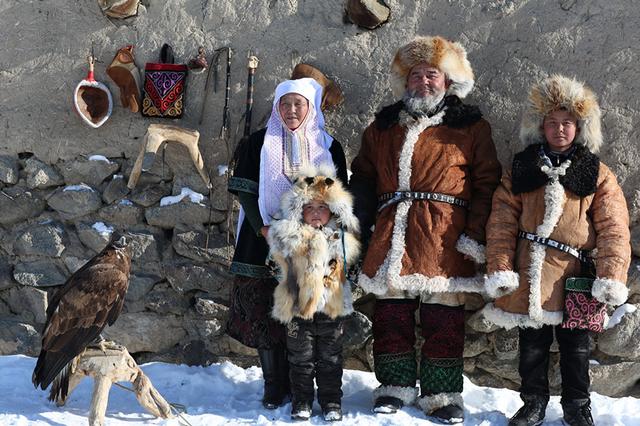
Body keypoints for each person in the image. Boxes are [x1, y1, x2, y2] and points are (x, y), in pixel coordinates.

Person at [349, 35, 502, 423]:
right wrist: (358, 229)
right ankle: (394, 387)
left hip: (444, 237)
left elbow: (487, 183)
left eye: (431, 74)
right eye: (415, 75)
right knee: (392, 315)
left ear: (448, 80)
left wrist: (476, 235)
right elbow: (363, 178)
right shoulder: (383, 126)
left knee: (443, 319)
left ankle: (443, 394)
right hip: (392, 233)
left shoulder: (471, 127)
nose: (423, 82)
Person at [481, 75, 631, 426]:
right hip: (528, 271)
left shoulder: (597, 173)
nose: (559, 130)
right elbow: (501, 222)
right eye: (552, 123)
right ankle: (533, 402)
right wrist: (500, 266)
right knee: (531, 345)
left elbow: (613, 228)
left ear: (579, 128)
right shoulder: (521, 169)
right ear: (540, 126)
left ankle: (577, 405)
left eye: (567, 123)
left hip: (572, 276)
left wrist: (610, 276)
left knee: (575, 347)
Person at [226, 78, 348, 410]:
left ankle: (302, 387)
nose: (291, 110)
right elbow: (245, 190)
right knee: (266, 309)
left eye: (299, 104)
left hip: (314, 247)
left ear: (311, 108)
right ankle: (273, 385)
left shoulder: (329, 146)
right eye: (285, 104)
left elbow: (339, 197)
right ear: (277, 107)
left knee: (307, 312)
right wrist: (262, 229)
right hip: (262, 238)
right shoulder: (258, 143)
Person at [267, 164, 360, 421]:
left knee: (330, 358)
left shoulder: (340, 237)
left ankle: (331, 401)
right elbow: (275, 251)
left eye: (322, 208)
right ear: (300, 211)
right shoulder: (290, 235)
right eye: (310, 208)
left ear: (332, 211)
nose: (316, 214)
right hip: (298, 308)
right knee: (300, 359)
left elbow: (350, 261)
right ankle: (302, 400)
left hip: (331, 308)